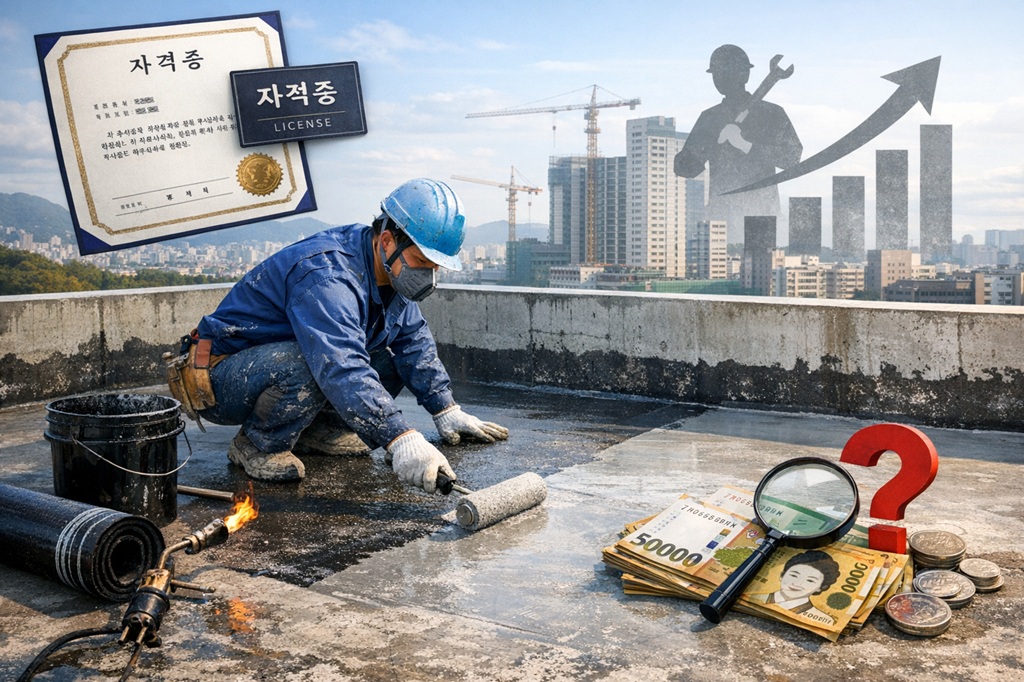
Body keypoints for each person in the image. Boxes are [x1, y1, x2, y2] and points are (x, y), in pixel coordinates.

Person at [181, 178, 508, 491]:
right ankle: (256, 443)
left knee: (390, 360)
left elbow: (413, 343)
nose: (427, 276)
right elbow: (341, 366)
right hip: (218, 375)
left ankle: (322, 432)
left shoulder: (388, 274)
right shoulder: (326, 276)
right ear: (387, 241)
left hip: (275, 366)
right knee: (310, 363)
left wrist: (445, 409)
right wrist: (401, 437)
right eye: (421, 261)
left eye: (435, 268)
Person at [674, 44, 803, 244]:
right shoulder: (709, 118)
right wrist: (708, 145)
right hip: (721, 218)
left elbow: (792, 157)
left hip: (762, 215)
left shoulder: (772, 113)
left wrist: (744, 144)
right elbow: (684, 168)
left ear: (744, 74)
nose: (719, 78)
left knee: (760, 273)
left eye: (725, 71)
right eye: (715, 73)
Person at [748, 549, 840, 626]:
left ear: (821, 587)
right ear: (782, 575)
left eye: (810, 580)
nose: (797, 583)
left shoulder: (824, 620)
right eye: (794, 575)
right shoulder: (752, 598)